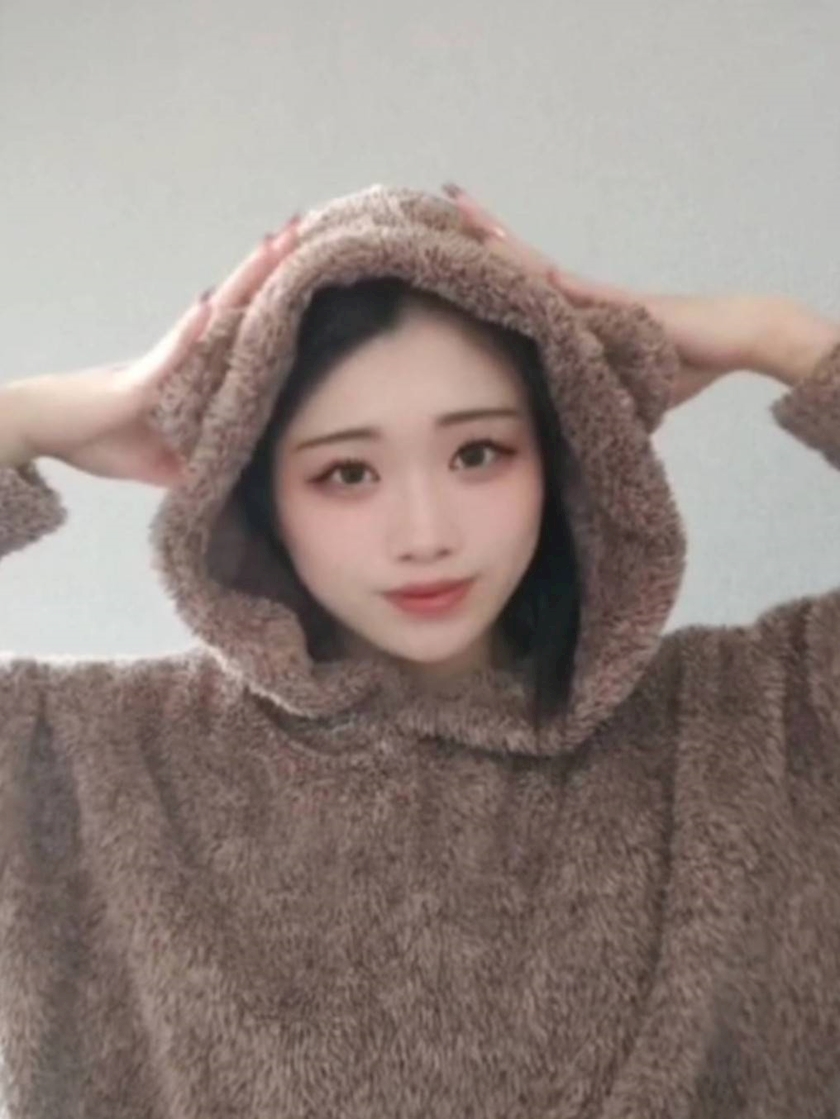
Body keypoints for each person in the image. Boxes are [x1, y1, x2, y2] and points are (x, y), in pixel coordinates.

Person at [0, 181, 838, 1117]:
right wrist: (28, 417)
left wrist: (777, 336)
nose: (426, 533)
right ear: (256, 491)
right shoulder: (86, 760)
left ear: (561, 453)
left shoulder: (755, 723)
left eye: (478, 453)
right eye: (347, 472)